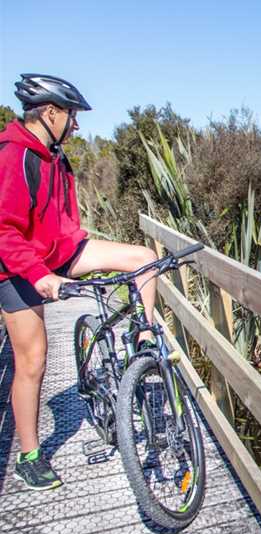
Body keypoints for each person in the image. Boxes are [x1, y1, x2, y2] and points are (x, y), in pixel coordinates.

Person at [0, 74, 159, 491]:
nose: (76, 125)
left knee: (144, 258)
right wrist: (41, 277)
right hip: (18, 268)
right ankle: (30, 457)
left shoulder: (56, 156)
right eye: (72, 116)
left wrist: (78, 253)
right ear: (49, 112)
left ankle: (145, 342)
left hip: (61, 255)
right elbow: (4, 232)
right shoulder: (14, 155)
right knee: (33, 361)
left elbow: (66, 221)